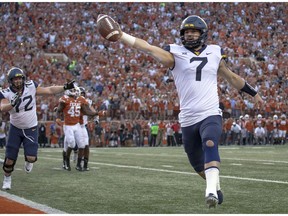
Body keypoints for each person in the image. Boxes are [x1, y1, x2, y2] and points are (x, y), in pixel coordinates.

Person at [102, 14, 264, 207]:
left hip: (210, 112)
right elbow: (147, 48)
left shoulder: (214, 52)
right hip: (187, 118)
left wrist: (253, 92)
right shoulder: (175, 53)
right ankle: (216, 186)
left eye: (194, 31)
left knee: (210, 142)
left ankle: (210, 192)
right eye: (186, 31)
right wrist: (123, 36)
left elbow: (231, 77)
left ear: (202, 33)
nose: (189, 35)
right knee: (197, 163)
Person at [0, 67, 75, 190]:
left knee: (31, 158)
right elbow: (2, 107)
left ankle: (28, 161)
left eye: (20, 78)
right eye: (15, 79)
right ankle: (7, 178)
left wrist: (65, 87)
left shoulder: (30, 86)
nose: (18, 81)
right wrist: (12, 104)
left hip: (31, 128)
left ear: (23, 79)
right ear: (10, 80)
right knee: (9, 160)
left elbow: (49, 90)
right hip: (16, 128)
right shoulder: (6, 92)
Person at [55, 88, 98, 171]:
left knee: (83, 145)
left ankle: (81, 164)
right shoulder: (65, 99)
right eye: (77, 92)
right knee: (69, 144)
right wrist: (57, 115)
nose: (78, 94)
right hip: (68, 125)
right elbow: (59, 109)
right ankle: (66, 162)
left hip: (80, 125)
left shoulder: (82, 100)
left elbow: (88, 110)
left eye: (81, 93)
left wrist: (96, 114)